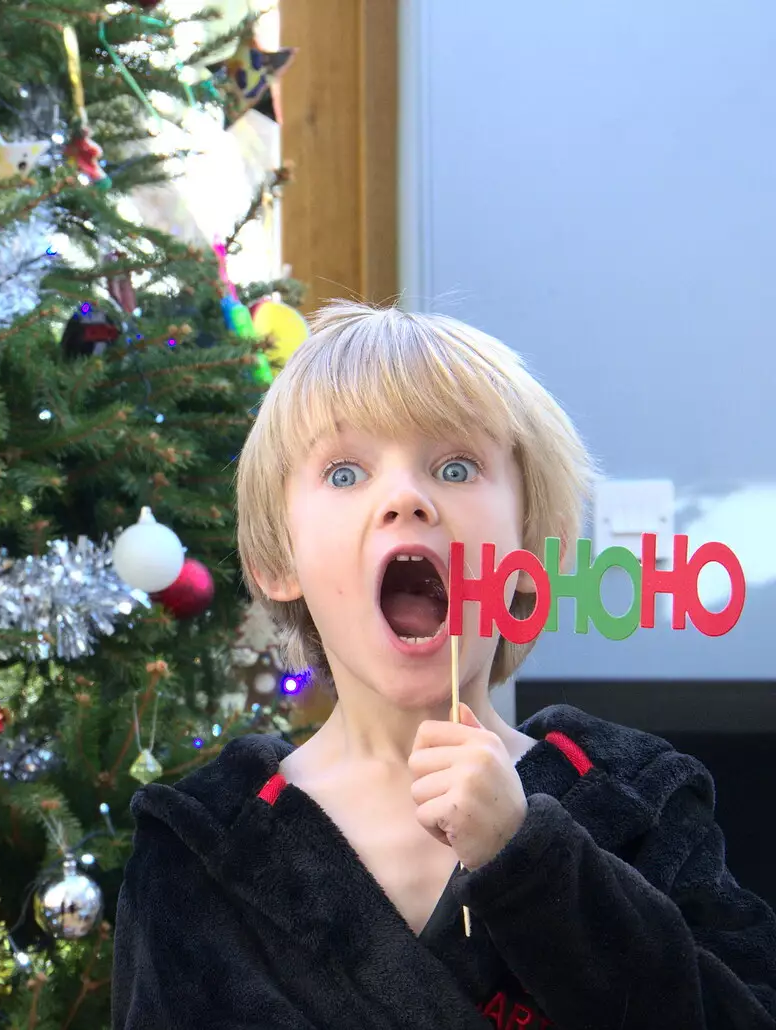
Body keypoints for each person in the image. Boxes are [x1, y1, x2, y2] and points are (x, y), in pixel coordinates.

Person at [111, 303, 776, 1028]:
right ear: (279, 560)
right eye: (344, 472)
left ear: (531, 548)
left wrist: (529, 862)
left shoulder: (639, 800)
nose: (406, 499)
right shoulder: (199, 848)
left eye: (455, 466)